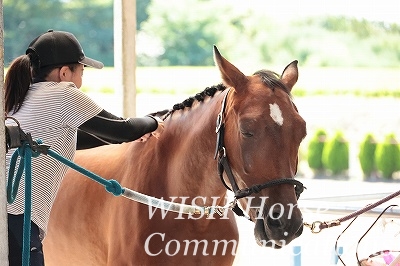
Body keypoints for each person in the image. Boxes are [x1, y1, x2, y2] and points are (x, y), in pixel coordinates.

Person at [5, 29, 164, 266]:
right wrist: (156, 121)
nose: (80, 81)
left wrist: (132, 136)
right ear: (64, 73)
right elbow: (122, 128)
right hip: (20, 220)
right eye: (81, 73)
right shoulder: (62, 94)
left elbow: (85, 138)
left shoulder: (21, 98)